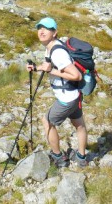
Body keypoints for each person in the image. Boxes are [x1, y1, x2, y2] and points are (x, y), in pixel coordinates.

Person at [27, 17, 88, 168]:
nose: (41, 31)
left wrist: (52, 70)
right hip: (74, 94)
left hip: (67, 97)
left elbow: (76, 75)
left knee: (47, 121)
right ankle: (81, 158)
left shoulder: (57, 52)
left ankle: (58, 157)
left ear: (54, 32)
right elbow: (49, 66)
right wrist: (36, 68)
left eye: (46, 28)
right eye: (39, 28)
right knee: (79, 125)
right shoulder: (51, 46)